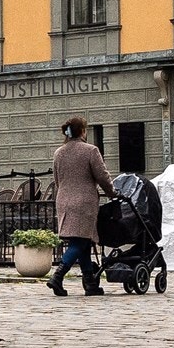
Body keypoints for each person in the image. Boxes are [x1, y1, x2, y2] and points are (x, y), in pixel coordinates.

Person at [51, 116, 114, 297]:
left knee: (82, 241)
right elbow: (102, 176)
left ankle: (90, 284)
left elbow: (57, 179)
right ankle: (58, 276)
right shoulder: (90, 150)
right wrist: (112, 192)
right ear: (82, 131)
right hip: (84, 203)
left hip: (63, 200)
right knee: (79, 242)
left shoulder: (59, 153)